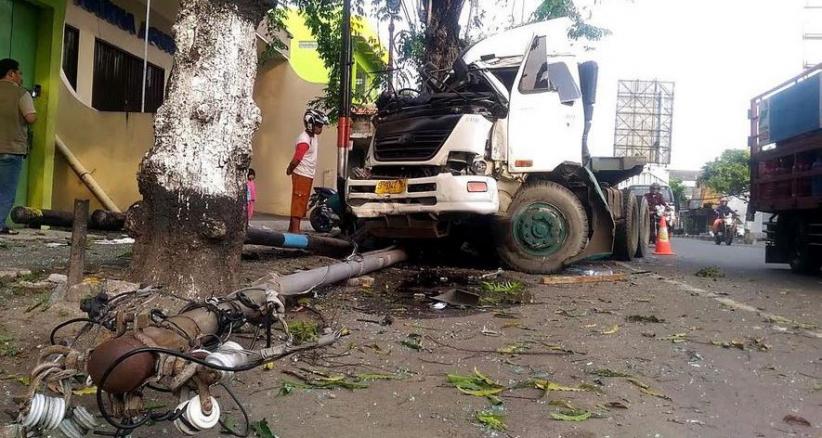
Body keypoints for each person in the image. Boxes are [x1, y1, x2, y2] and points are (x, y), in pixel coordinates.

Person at [0, 59, 37, 235]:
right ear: (11, 73)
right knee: (6, 191)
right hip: (11, 149)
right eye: (19, 73)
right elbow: (30, 118)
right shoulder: (21, 94)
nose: (21, 77)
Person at [286, 108, 328, 233]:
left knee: (301, 201)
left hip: (307, 174)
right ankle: (295, 231)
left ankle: (292, 229)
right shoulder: (304, 139)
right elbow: (297, 158)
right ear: (310, 123)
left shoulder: (313, 137)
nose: (321, 128)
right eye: (319, 125)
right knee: (299, 201)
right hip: (302, 173)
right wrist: (290, 169)